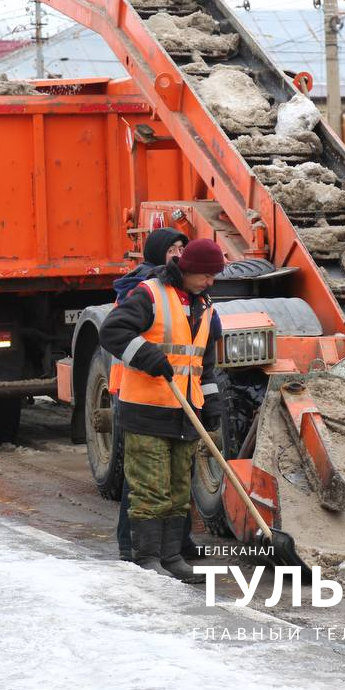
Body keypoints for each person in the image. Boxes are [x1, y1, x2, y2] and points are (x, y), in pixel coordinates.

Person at [100, 238, 226, 583]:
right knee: (150, 489)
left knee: (177, 490)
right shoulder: (150, 293)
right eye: (206, 275)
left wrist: (212, 401)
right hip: (147, 409)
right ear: (188, 269)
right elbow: (112, 331)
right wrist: (147, 355)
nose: (211, 282)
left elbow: (203, 363)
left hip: (185, 412)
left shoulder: (205, 304)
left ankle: (171, 556)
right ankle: (146, 558)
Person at [112, 227, 188, 562]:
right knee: (142, 478)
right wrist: (150, 359)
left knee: (173, 478)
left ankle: (175, 547)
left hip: (174, 393)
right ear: (157, 252)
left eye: (182, 248)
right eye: (172, 249)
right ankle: (131, 546)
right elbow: (118, 333)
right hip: (138, 391)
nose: (178, 255)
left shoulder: (184, 288)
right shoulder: (140, 288)